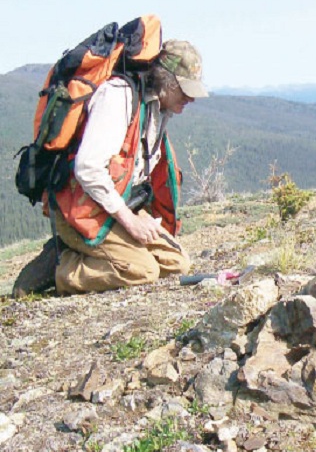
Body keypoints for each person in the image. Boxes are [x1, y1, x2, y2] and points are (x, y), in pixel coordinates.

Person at [12, 40, 208, 297]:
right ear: (165, 80)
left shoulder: (157, 109)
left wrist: (140, 216)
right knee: (143, 271)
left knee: (177, 263)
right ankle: (61, 267)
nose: (190, 99)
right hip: (80, 210)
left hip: (112, 207)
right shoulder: (119, 97)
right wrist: (130, 222)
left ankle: (90, 252)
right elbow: (88, 169)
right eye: (184, 90)